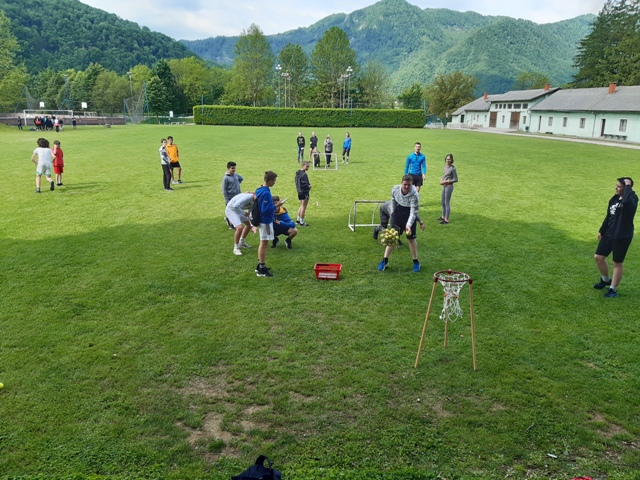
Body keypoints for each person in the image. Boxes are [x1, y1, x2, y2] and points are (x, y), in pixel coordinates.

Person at [594, 177, 637, 298]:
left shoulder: (632, 199)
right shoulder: (614, 198)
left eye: (619, 187)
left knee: (617, 262)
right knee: (598, 257)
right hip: (609, 233)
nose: (616, 188)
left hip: (622, 236)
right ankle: (606, 280)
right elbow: (609, 215)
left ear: (626, 188)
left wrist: (628, 186)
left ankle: (613, 289)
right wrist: (602, 230)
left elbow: (626, 203)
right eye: (616, 186)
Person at [377, 175, 421, 272]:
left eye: (409, 185)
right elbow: (393, 199)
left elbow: (413, 212)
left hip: (409, 214)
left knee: (411, 239)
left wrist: (408, 225)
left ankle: (416, 262)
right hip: (397, 213)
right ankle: (385, 260)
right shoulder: (395, 189)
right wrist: (392, 210)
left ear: (411, 184)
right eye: (405, 184)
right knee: (392, 237)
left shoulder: (415, 194)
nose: (406, 187)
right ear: (401, 183)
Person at [255, 171, 281, 277]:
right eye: (274, 180)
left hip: (264, 220)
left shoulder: (260, 189)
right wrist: (277, 205)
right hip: (265, 220)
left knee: (263, 243)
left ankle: (260, 265)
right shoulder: (265, 192)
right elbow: (265, 210)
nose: (274, 182)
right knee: (264, 244)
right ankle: (261, 269)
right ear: (270, 180)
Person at [439, 153, 458, 224]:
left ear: (452, 160)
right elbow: (444, 175)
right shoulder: (445, 167)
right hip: (444, 186)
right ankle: (443, 216)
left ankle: (446, 219)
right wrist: (441, 180)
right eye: (447, 159)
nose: (448, 160)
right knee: (442, 202)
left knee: (447, 203)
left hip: (449, 186)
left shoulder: (453, 169)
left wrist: (447, 181)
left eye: (449, 159)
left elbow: (456, 179)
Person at [295, 161, 312, 226]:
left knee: (301, 206)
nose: (307, 168)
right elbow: (304, 184)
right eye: (307, 166)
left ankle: (298, 219)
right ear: (303, 165)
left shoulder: (298, 173)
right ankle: (302, 222)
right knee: (303, 207)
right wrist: (309, 186)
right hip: (304, 192)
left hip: (299, 191)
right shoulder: (304, 175)